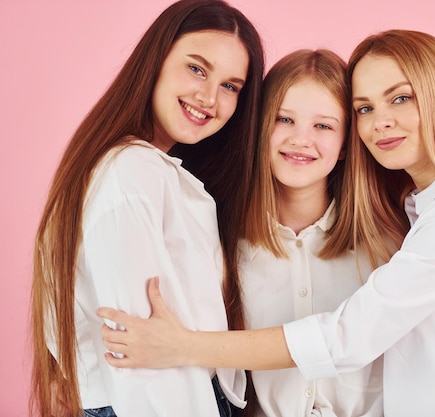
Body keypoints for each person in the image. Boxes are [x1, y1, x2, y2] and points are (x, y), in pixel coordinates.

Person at [97, 29, 435, 417]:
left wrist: (184, 346)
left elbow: (348, 337)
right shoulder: (424, 213)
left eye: (400, 98)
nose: (381, 122)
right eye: (365, 108)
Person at [29, 0, 264, 416]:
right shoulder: (131, 170)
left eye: (230, 86)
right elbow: (138, 353)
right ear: (156, 60)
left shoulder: (140, 167)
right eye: (196, 68)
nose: (209, 97)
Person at [238, 49, 390, 417]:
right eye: (284, 119)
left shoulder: (388, 246)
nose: (301, 139)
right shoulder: (227, 244)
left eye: (323, 126)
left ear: (343, 146)